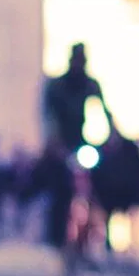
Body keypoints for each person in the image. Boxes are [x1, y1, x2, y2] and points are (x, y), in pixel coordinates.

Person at [40, 44, 105, 250]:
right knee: (60, 188)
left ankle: (97, 233)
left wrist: (112, 136)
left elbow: (104, 110)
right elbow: (49, 116)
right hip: (61, 144)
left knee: (100, 183)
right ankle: (56, 236)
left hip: (81, 141)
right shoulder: (57, 86)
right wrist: (54, 142)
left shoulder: (90, 84)